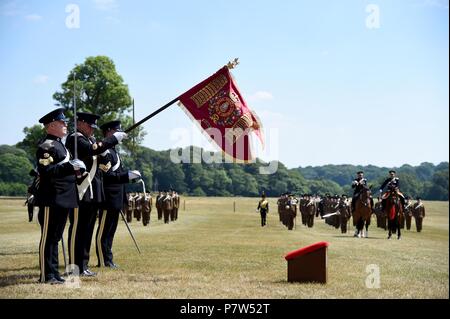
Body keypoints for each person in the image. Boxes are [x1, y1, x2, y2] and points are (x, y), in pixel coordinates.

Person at [65, 112, 127, 277]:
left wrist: (106, 154)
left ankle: (83, 265)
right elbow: (90, 150)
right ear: (80, 123)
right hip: (81, 190)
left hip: (93, 192)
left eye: (93, 128)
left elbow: (103, 163)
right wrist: (112, 139)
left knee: (87, 231)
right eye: (89, 127)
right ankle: (74, 267)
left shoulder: (91, 140)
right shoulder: (75, 138)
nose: (92, 131)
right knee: (78, 229)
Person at [35, 108, 85, 284]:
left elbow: (66, 171)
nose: (66, 125)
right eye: (62, 122)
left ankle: (54, 273)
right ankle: (46, 275)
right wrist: (69, 166)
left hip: (64, 197)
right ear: (52, 125)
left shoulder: (61, 146)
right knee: (48, 237)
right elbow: (46, 171)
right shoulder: (46, 146)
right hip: (51, 198)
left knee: (55, 237)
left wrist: (78, 171)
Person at [95, 120, 141, 269]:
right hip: (108, 198)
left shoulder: (114, 151)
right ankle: (103, 260)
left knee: (111, 231)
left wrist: (130, 177)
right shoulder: (105, 151)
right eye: (116, 131)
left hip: (117, 198)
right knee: (104, 231)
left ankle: (109, 259)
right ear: (109, 132)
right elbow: (107, 176)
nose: (119, 134)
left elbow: (118, 174)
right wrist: (126, 176)